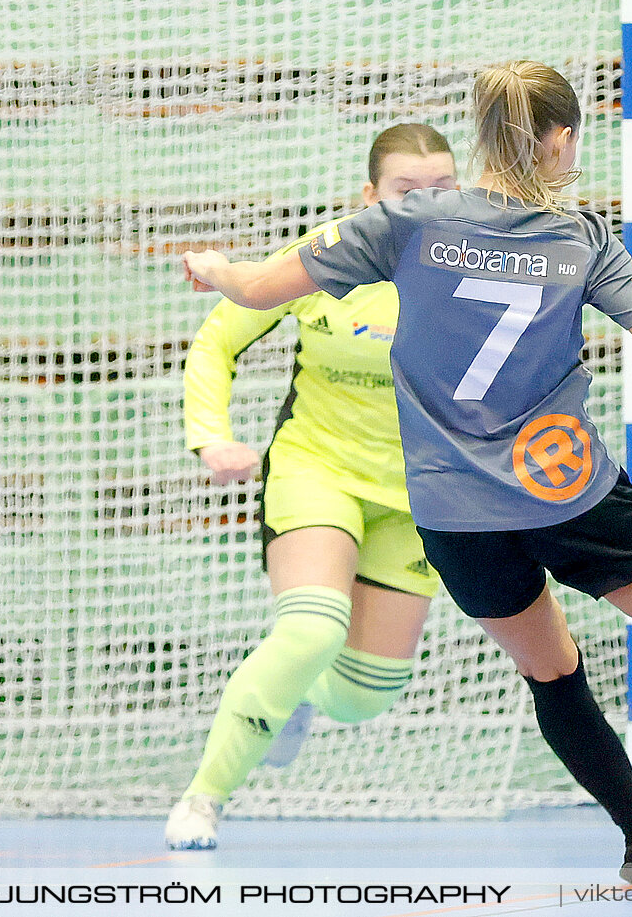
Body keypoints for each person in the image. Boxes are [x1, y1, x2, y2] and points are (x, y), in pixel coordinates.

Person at [184, 61, 632, 884]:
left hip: (454, 510)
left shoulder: (404, 222)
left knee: (553, 672)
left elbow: (256, 287)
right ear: (561, 137)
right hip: (564, 482)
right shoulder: (579, 238)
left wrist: (219, 269)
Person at [165, 125, 459, 851]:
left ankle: (293, 690)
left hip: (414, 494)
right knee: (312, 627)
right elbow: (218, 340)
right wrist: (211, 435)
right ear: (370, 197)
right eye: (405, 191)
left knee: (365, 696)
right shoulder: (329, 257)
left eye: (441, 189)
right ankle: (203, 797)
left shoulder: (476, 275)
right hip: (315, 470)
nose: (425, 203)